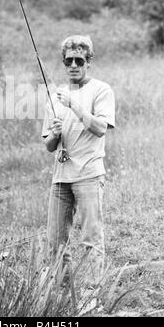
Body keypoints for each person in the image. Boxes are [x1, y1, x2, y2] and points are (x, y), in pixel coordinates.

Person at [42, 35, 115, 288]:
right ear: (64, 63)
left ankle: (93, 294)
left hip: (88, 175)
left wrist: (74, 105)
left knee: (90, 238)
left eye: (79, 60)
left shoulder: (101, 90)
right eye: (68, 61)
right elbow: (49, 145)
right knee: (54, 242)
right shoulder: (55, 97)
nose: (73, 65)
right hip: (60, 178)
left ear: (88, 62)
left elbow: (100, 128)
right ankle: (62, 295)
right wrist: (54, 133)